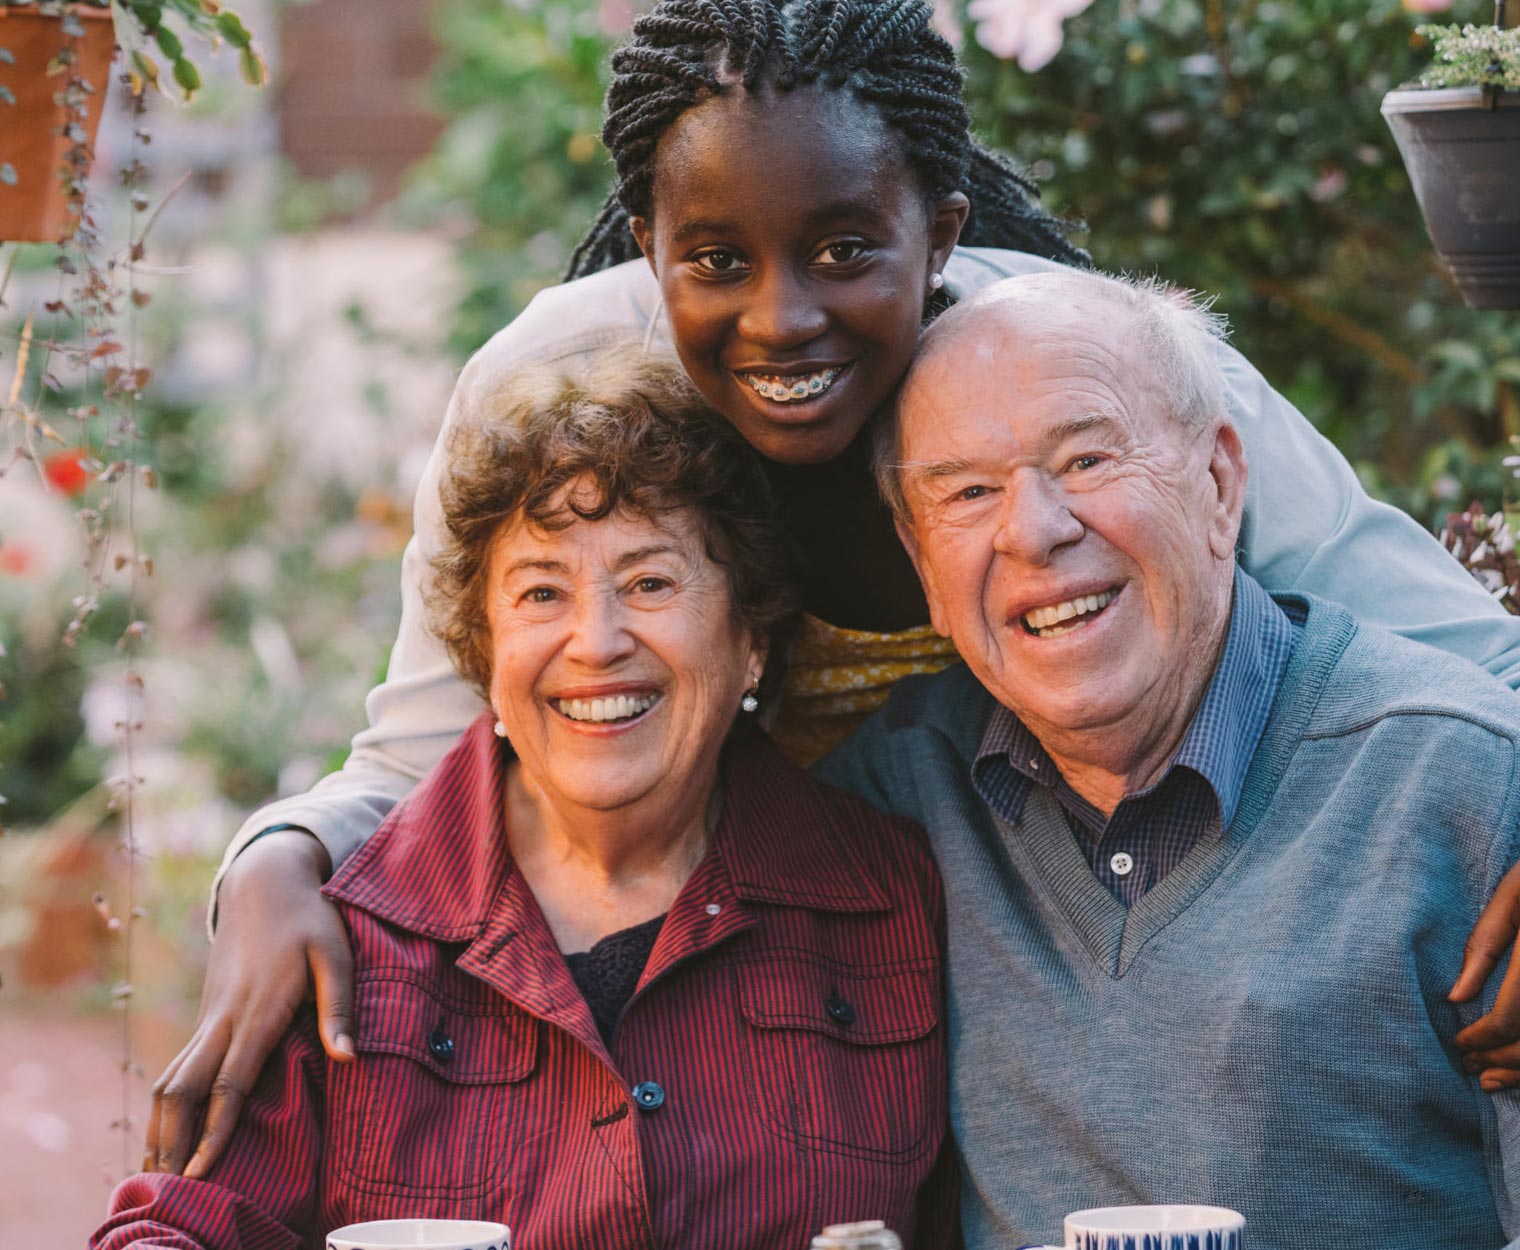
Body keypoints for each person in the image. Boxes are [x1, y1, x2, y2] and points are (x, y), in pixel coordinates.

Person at [147, 0, 1520, 1180]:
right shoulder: (564, 388)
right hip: (774, 925)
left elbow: (1439, 622)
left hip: (1018, 900)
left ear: (938, 229)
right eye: (714, 260)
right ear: (643, 240)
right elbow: (434, 737)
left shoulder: (1074, 371)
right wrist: (276, 864)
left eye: (844, 250)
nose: (781, 320)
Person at [828, 271, 1520, 1249]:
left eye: (1084, 459)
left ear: (1218, 485)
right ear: (917, 555)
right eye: (968, 491)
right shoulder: (892, 796)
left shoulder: (1459, 779)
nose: (1033, 528)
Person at [98, 361, 954, 1249]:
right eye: (542, 592)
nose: (598, 642)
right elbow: (190, 1225)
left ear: (751, 642)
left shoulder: (896, 894)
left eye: (651, 583)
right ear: (485, 654)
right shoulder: (345, 929)